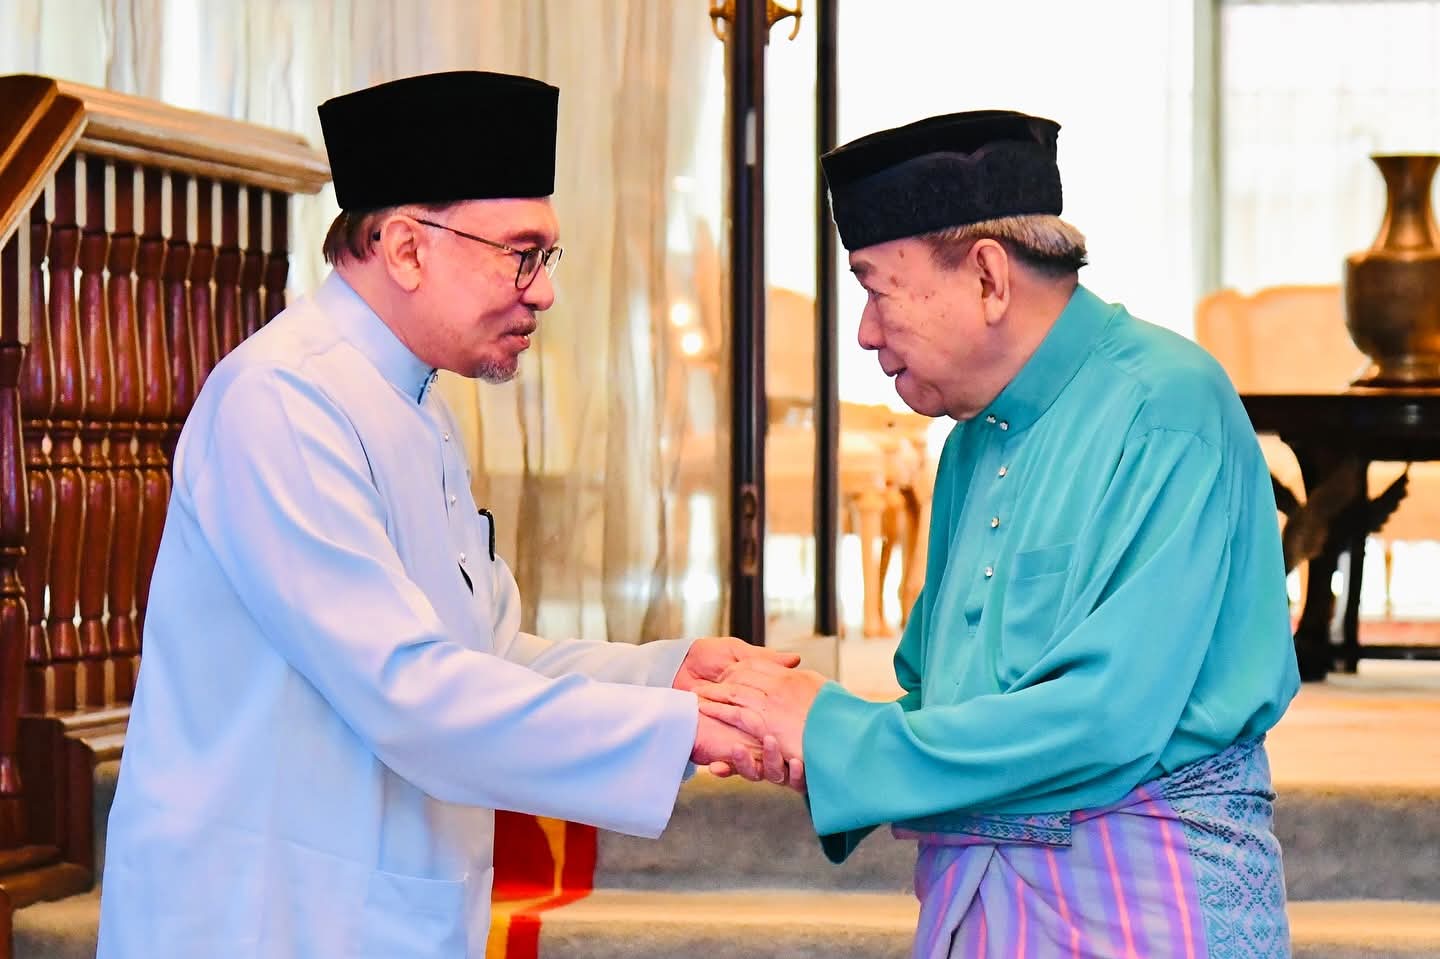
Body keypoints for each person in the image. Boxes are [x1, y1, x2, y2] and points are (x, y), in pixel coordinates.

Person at [96, 71, 794, 959]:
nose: (543, 292)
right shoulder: (282, 400)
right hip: (265, 917)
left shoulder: (413, 400)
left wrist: (667, 676)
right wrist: (679, 730)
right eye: (521, 253)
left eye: (547, 258)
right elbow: (411, 692)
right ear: (405, 249)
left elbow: (482, 654)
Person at [699, 110, 1302, 957]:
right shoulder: (971, 442)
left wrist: (835, 734)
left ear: (987, 276)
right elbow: (947, 704)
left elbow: (1107, 718)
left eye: (875, 289)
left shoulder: (1166, 407)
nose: (865, 332)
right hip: (988, 902)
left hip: (1148, 906)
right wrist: (791, 736)